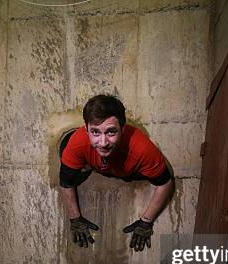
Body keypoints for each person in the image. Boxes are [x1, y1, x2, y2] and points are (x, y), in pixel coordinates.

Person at [59, 95, 175, 252]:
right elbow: (66, 182)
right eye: (95, 132)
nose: (103, 142)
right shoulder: (77, 142)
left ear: (123, 129)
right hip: (96, 165)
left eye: (111, 132)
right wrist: (75, 220)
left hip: (128, 170)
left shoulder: (141, 148)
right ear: (86, 129)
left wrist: (146, 221)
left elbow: (165, 183)